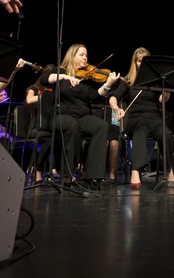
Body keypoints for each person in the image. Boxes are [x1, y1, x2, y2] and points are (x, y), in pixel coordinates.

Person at [37, 44, 120, 188]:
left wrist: (107, 84)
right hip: (60, 116)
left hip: (81, 117)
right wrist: (64, 76)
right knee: (71, 125)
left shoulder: (86, 78)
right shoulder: (59, 72)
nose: (85, 58)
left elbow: (94, 96)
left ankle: (94, 176)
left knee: (102, 126)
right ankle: (68, 175)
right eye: (81, 54)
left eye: (86, 55)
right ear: (72, 56)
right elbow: (44, 79)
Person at [108, 47, 174, 189]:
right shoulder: (128, 81)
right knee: (140, 131)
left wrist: (167, 90)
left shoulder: (156, 82)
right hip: (135, 119)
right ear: (135, 63)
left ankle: (169, 169)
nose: (142, 64)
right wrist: (117, 108)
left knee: (166, 133)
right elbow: (113, 98)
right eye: (139, 61)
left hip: (154, 117)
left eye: (145, 61)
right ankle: (135, 170)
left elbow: (161, 100)